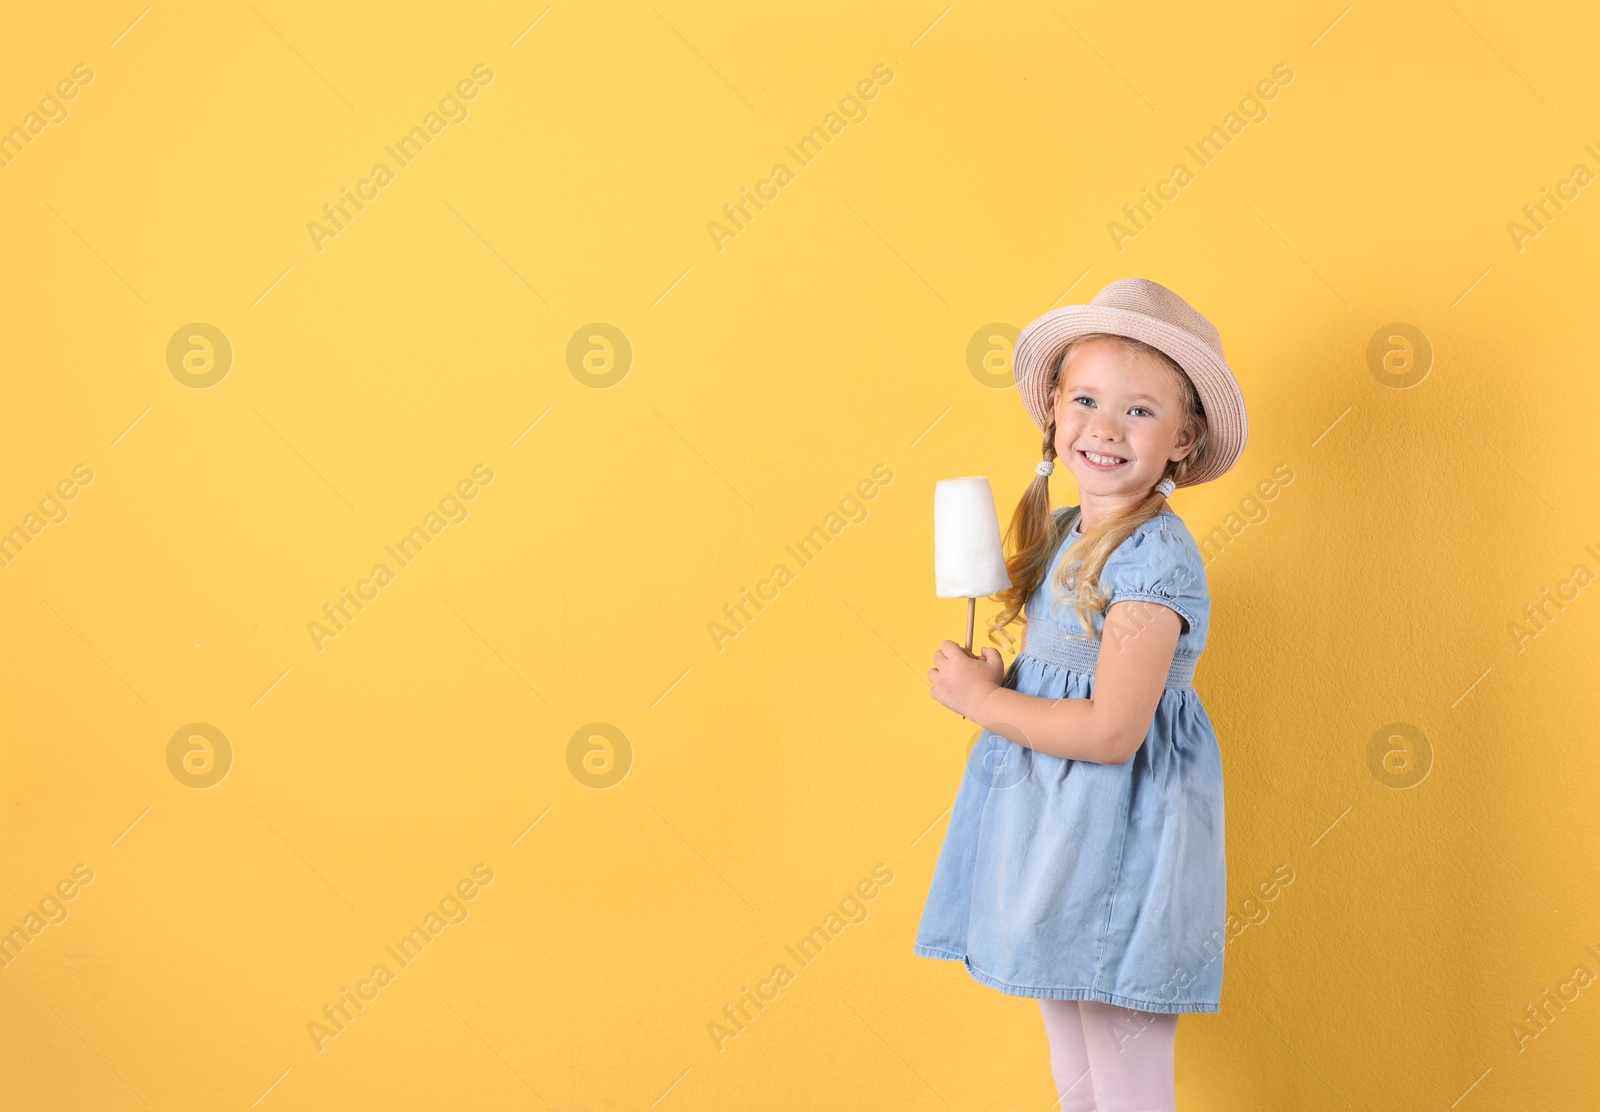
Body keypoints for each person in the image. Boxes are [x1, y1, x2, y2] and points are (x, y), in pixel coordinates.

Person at [914, 278, 1249, 1111]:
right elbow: (1058, 670)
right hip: (1050, 837)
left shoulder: (1154, 562)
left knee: (1128, 1086)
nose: (1105, 427)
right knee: (1080, 1078)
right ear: (1053, 414)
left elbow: (1111, 731)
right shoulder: (1067, 531)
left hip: (1119, 847)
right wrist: (1002, 677)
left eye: (1139, 411)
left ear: (1183, 440)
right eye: (1088, 400)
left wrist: (981, 705)